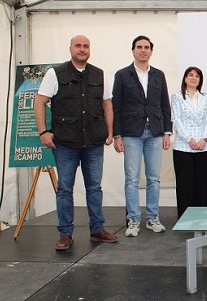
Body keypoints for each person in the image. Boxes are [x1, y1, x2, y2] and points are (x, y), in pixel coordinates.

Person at [35, 35, 118, 250]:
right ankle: (65, 233)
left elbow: (107, 104)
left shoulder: (99, 74)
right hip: (65, 143)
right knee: (64, 189)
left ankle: (97, 228)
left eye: (86, 46)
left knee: (94, 188)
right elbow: (40, 102)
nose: (82, 49)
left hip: (93, 142)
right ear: (70, 48)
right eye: (78, 46)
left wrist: (110, 130)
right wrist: (43, 131)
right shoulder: (55, 73)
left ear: (90, 49)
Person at [112, 35, 172, 237]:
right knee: (132, 179)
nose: (143, 50)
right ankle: (134, 220)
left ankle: (152, 218)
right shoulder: (122, 75)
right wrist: (117, 134)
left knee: (154, 178)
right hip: (131, 132)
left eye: (146, 47)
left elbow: (165, 104)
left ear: (151, 51)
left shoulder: (159, 75)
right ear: (133, 50)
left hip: (155, 131)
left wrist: (166, 131)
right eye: (139, 47)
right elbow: (116, 106)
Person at [171, 66, 207, 218]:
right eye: (191, 75)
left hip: (203, 147)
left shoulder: (205, 98)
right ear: (185, 78)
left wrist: (204, 138)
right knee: (185, 186)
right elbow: (176, 120)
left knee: (203, 185)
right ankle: (186, 220)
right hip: (183, 147)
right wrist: (189, 139)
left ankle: (204, 218)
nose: (194, 78)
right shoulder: (177, 97)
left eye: (197, 76)